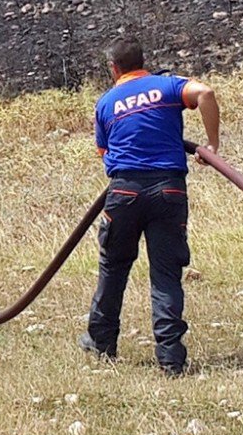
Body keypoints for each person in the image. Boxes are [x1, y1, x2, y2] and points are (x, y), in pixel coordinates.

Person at [80, 37, 220, 376]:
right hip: (170, 190)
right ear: (144, 62)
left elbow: (104, 154)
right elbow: (206, 93)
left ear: (114, 68)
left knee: (113, 268)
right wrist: (212, 145)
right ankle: (171, 359)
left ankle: (101, 344)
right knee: (166, 274)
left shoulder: (106, 102)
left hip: (124, 192)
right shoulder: (168, 86)